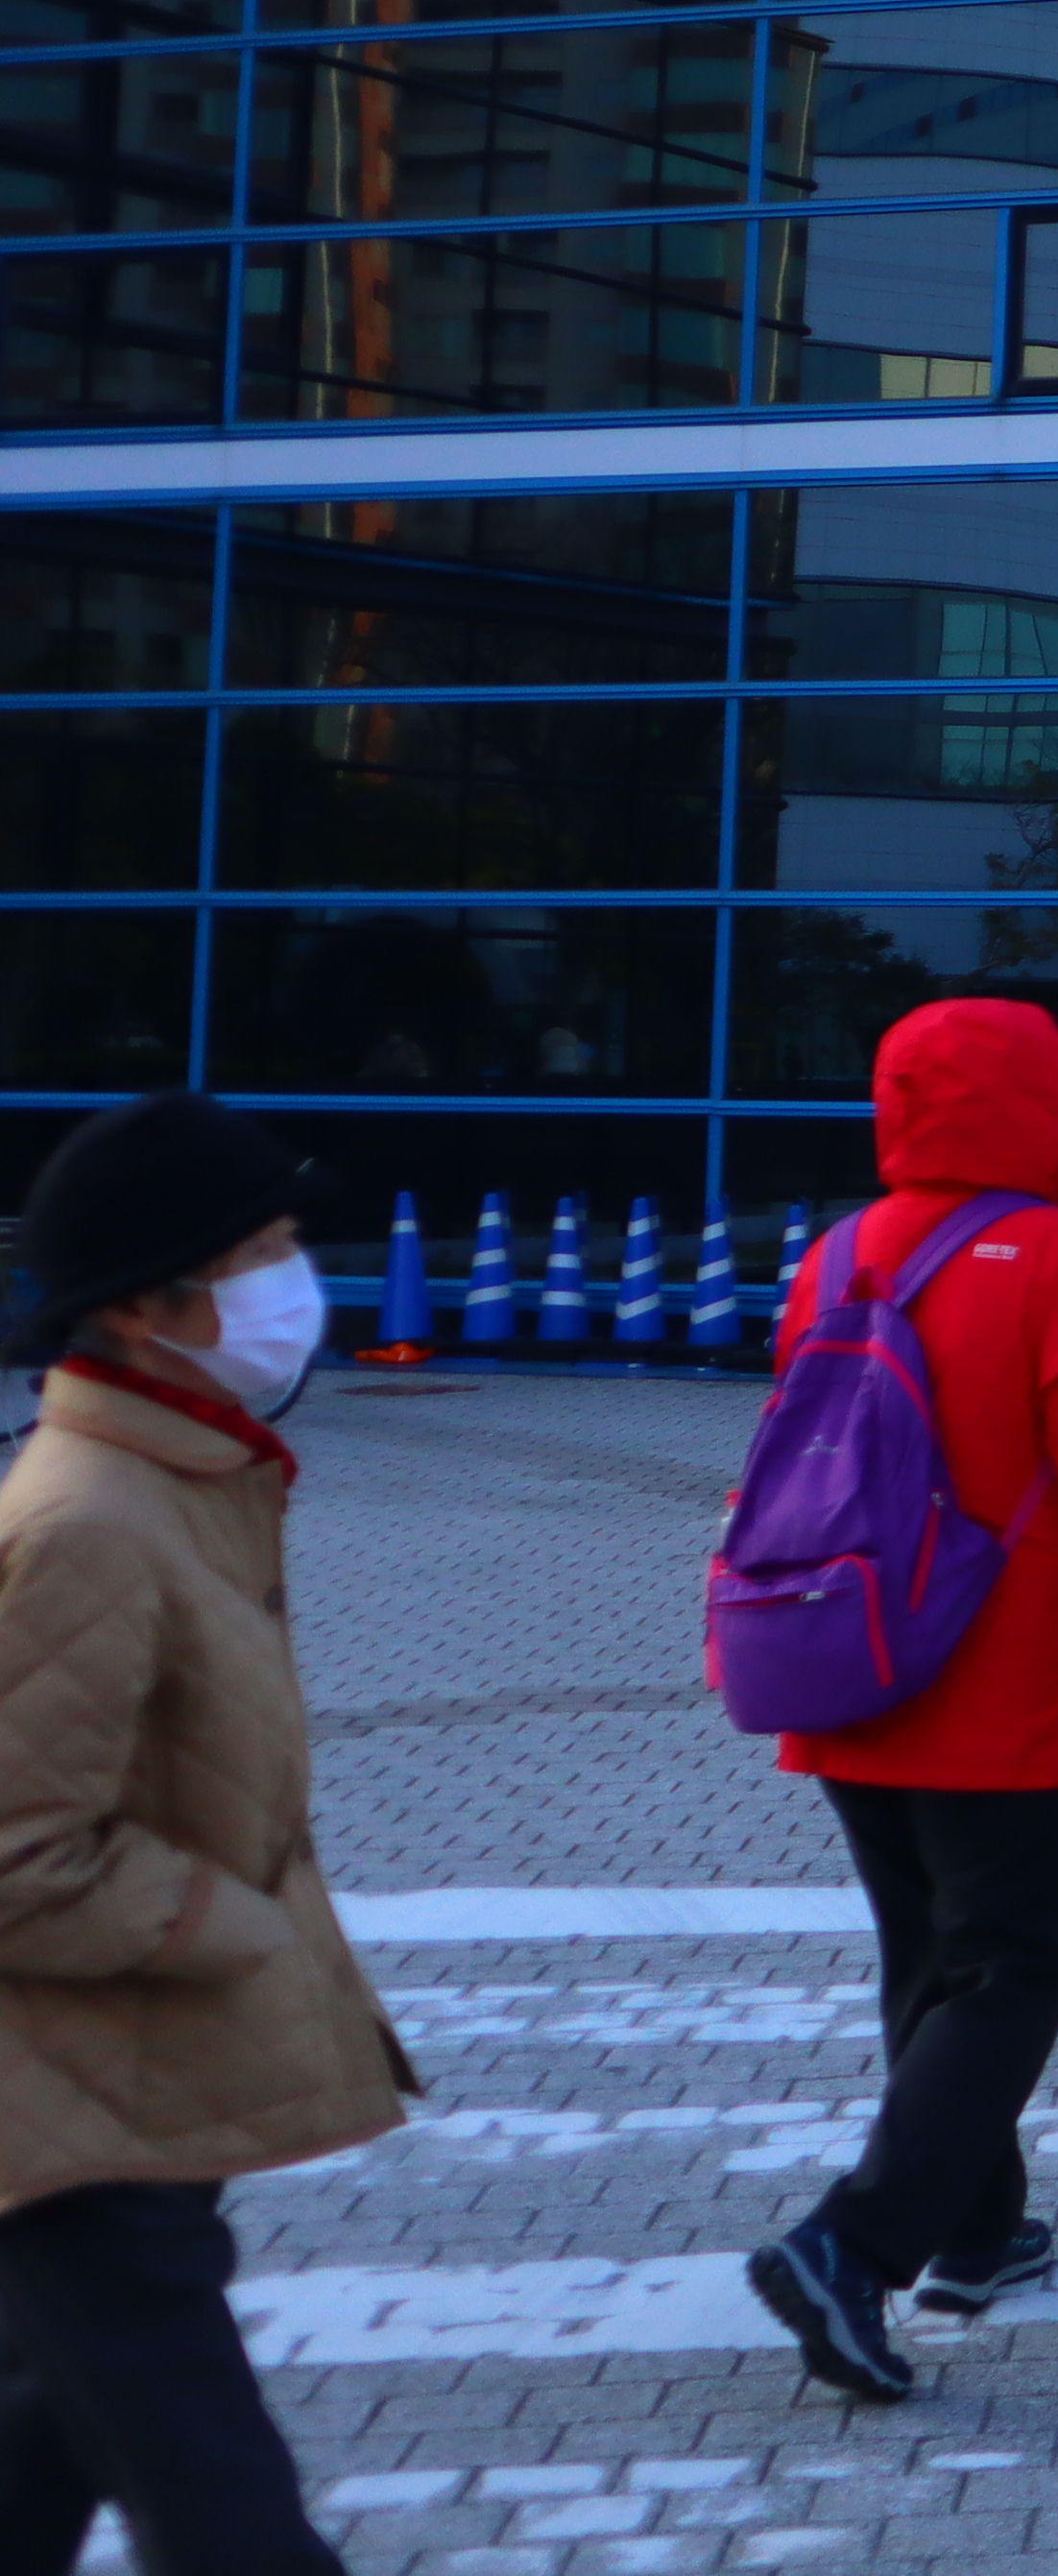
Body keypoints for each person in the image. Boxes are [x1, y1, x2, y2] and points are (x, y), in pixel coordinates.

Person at [740, 1001, 1058, 2405]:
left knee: (930, 1961)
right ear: (1049, 1105)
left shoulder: (839, 1250)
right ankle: (855, 2242)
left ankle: (974, 2231)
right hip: (993, 1677)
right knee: (1011, 1967)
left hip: (847, 1656)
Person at [0, 1097, 412, 2576]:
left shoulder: (194, 1486)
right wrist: (230, 1930)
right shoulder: (89, 1525)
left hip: (125, 2086)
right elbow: (14, 1856)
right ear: (141, 1302)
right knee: (233, 2525)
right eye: (259, 1252)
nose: (291, 1283)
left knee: (45, 2443)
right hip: (68, 2113)